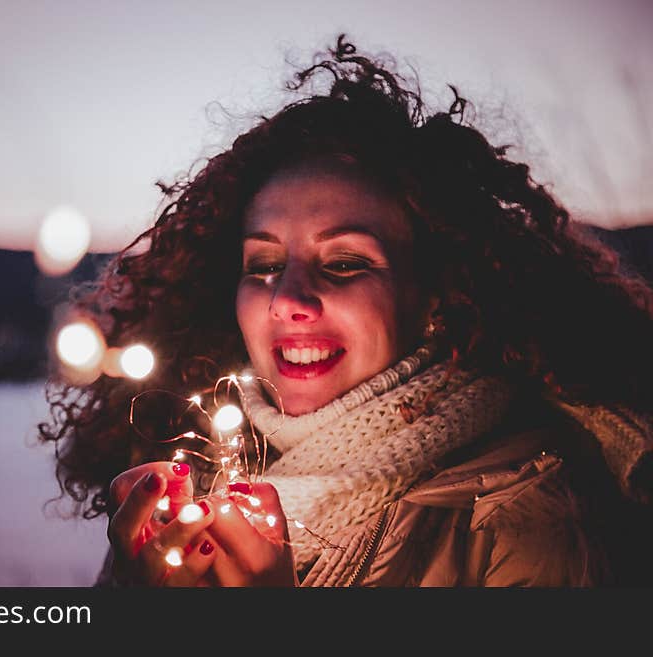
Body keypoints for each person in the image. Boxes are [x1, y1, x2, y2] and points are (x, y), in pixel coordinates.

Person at [39, 36, 653, 587]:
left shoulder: (526, 523)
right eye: (264, 265)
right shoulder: (192, 487)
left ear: (435, 294)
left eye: (344, 264)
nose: (288, 300)